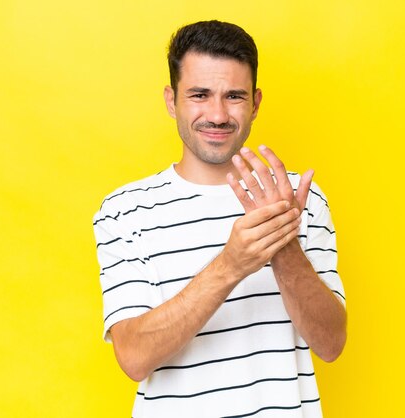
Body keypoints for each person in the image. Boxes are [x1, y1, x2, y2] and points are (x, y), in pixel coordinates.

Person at [93, 20, 347, 417]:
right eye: (199, 94)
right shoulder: (124, 211)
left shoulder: (299, 198)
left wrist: (283, 244)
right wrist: (232, 264)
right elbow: (134, 357)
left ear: (256, 103)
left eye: (234, 96)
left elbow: (331, 343)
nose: (217, 114)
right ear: (170, 99)